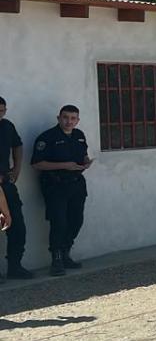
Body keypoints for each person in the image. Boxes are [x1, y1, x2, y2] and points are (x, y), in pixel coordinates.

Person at [31, 105, 92, 277]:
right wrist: (65, 165)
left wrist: (86, 162)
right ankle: (56, 259)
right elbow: (37, 163)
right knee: (59, 222)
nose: (69, 122)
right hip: (55, 185)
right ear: (58, 118)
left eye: (73, 118)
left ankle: (65, 252)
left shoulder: (79, 136)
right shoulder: (47, 137)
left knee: (76, 220)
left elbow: (83, 155)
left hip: (76, 184)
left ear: (77, 121)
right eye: (65, 117)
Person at [0, 96, 32, 279]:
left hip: (6, 183)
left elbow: (17, 145)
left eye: (2, 111)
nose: (0, 115)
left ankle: (15, 266)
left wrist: (17, 167)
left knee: (17, 226)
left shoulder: (7, 126)